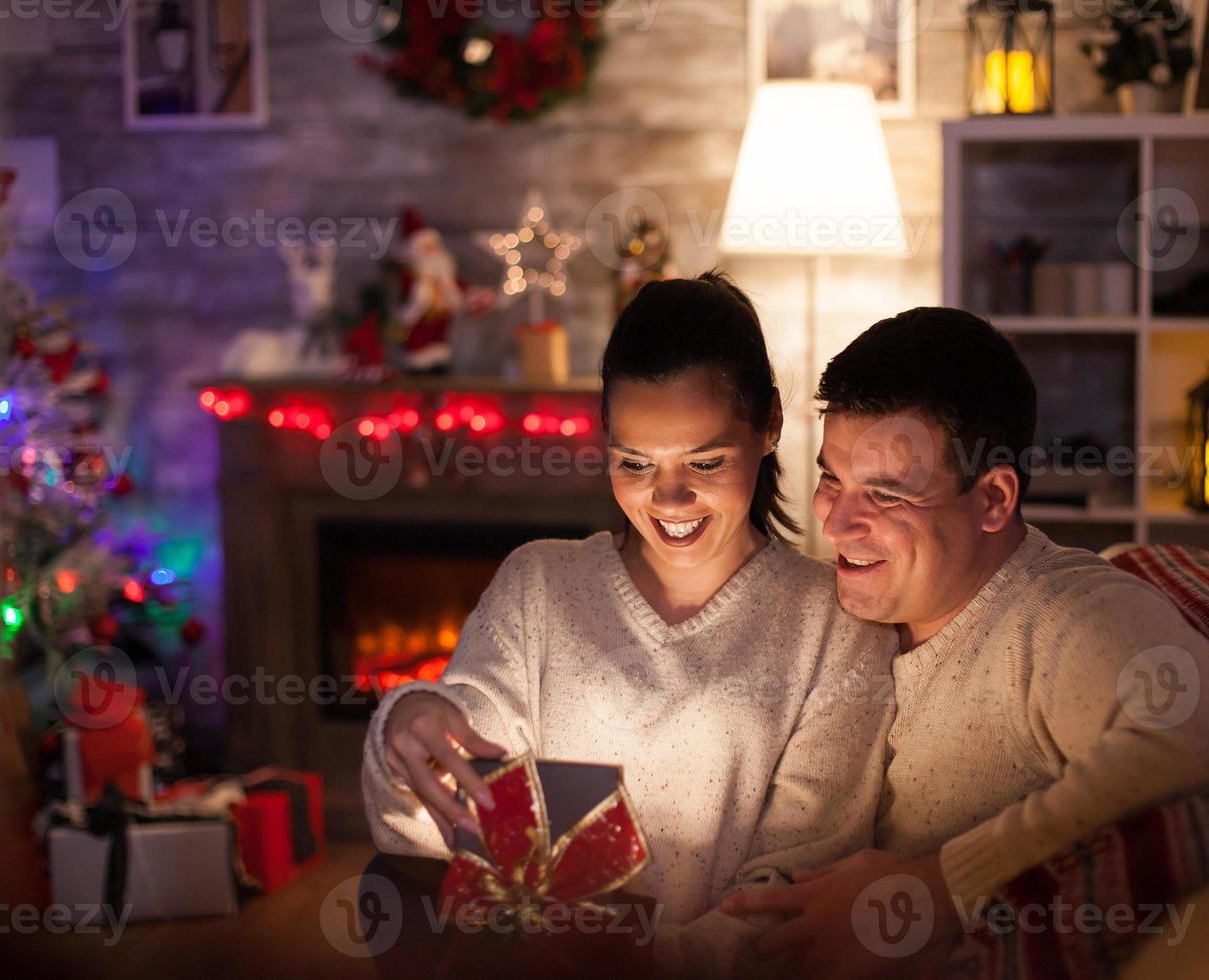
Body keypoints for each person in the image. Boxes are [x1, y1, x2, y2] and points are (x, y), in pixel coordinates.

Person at [722, 307, 1209, 975]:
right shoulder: (847, 609)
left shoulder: (1060, 613)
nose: (838, 520)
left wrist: (938, 886)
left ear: (994, 499)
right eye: (831, 479)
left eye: (884, 495)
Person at [361, 273, 896, 976]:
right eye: (634, 463)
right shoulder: (540, 583)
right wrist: (415, 726)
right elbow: (439, 803)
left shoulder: (835, 621)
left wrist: (646, 961)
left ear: (769, 425)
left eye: (705, 461)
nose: (668, 498)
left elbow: (796, 882)